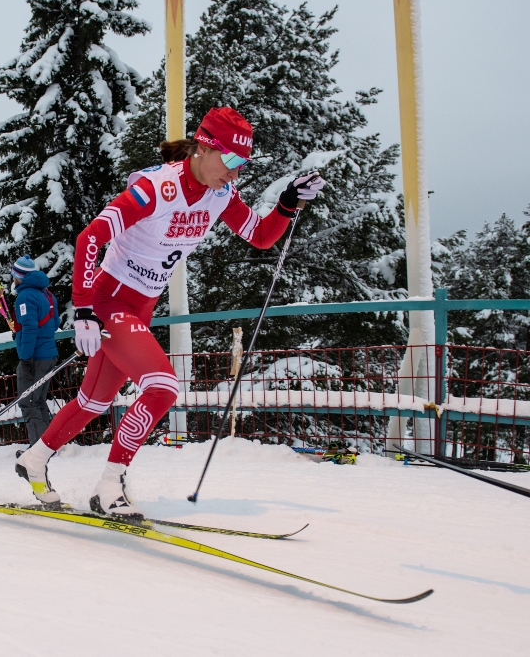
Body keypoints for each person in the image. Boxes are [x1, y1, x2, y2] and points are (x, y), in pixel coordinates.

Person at [16, 106, 326, 516]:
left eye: (242, 165)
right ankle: (109, 486)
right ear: (203, 147)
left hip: (141, 306)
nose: (234, 174)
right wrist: (86, 310)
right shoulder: (157, 189)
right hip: (112, 299)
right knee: (162, 388)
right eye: (230, 161)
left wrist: (286, 203)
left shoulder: (221, 195)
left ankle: (33, 460)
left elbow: (262, 237)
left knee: (93, 402)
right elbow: (89, 238)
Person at [11, 255, 60, 445]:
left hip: (34, 358)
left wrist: (25, 358)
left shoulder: (24, 296)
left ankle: (38, 452)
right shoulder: (47, 294)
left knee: (27, 403)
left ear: (19, 276)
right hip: (49, 355)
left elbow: (30, 328)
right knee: (38, 401)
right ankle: (49, 446)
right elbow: (55, 324)